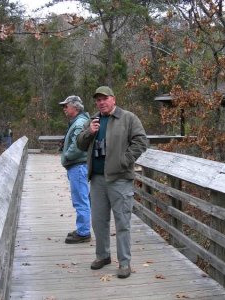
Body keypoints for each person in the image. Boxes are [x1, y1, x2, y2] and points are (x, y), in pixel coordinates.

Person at [77, 86, 148, 279]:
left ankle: (124, 263)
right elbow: (80, 144)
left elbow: (141, 141)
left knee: (122, 221)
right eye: (98, 100)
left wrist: (125, 160)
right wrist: (89, 132)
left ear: (113, 99)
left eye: (104, 99)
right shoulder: (93, 120)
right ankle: (103, 256)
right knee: (98, 221)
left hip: (120, 179)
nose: (101, 103)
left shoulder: (128, 118)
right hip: (97, 180)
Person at [59, 95, 92, 244]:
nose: (64, 109)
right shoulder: (80, 121)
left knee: (80, 199)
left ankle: (84, 232)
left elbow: (78, 146)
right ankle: (82, 228)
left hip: (78, 166)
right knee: (81, 198)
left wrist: (66, 156)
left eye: (66, 106)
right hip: (78, 166)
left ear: (75, 107)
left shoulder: (79, 123)